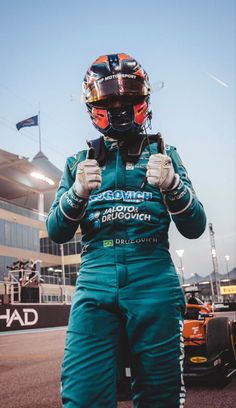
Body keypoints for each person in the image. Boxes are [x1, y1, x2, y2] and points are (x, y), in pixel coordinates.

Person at [46, 53, 206, 408]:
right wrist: (76, 195)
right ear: (93, 104)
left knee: (160, 396)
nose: (118, 105)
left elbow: (195, 226)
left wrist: (174, 185)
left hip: (153, 273)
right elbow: (56, 231)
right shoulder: (78, 161)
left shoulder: (165, 154)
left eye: (127, 97)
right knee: (82, 394)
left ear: (144, 99)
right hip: (95, 275)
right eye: (109, 99)